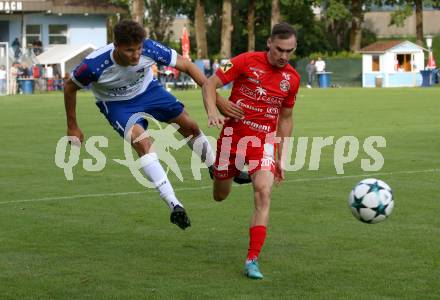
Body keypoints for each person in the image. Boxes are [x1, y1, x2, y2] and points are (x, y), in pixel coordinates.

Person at [64, 20, 247, 230]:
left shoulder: (149, 48)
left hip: (149, 91)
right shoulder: (94, 65)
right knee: (143, 142)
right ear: (116, 46)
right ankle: (174, 204)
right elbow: (69, 88)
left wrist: (218, 99)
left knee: (190, 125)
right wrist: (73, 126)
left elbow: (187, 65)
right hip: (116, 104)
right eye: (129, 50)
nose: (136, 55)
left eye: (139, 49)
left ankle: (216, 168)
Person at [202, 22, 300, 279]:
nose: (284, 56)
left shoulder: (292, 79)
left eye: (289, 51)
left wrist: (281, 156)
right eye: (280, 49)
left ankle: (252, 260)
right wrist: (214, 111)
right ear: (269, 43)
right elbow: (210, 84)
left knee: (263, 192)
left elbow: (286, 118)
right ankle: (223, 173)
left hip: (263, 144)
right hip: (231, 140)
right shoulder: (245, 61)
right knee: (220, 195)